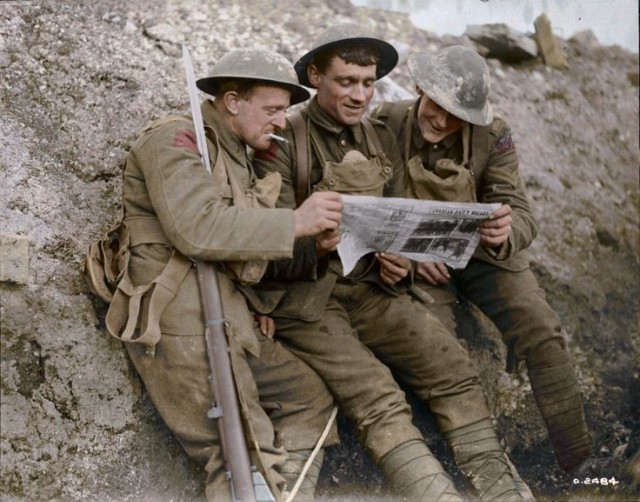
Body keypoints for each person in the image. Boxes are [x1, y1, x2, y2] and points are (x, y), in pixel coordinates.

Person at [254, 24, 529, 501]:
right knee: (376, 394)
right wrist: (316, 246)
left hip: (370, 289)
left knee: (451, 366)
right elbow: (260, 250)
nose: (360, 95)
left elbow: (395, 216)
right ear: (315, 77)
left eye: (368, 82)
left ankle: (503, 492)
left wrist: (398, 258)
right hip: (306, 302)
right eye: (346, 82)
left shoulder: (378, 137)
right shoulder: (283, 144)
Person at [106, 48, 344, 501]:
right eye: (271, 110)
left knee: (307, 398)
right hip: (179, 313)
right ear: (232, 101)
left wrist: (255, 301)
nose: (281, 122)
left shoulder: (237, 154)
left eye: (284, 111)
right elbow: (196, 229)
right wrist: (295, 222)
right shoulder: (176, 138)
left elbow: (232, 247)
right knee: (238, 450)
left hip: (228, 311)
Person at [372, 45, 592, 473]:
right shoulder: (383, 126)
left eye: (457, 115)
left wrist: (507, 231)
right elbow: (369, 210)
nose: (443, 121)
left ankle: (580, 463)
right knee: (438, 347)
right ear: (419, 90)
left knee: (541, 328)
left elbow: (521, 210)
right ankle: (462, 470)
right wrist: (410, 256)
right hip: (417, 261)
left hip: (480, 252)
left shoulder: (494, 134)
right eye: (437, 106)